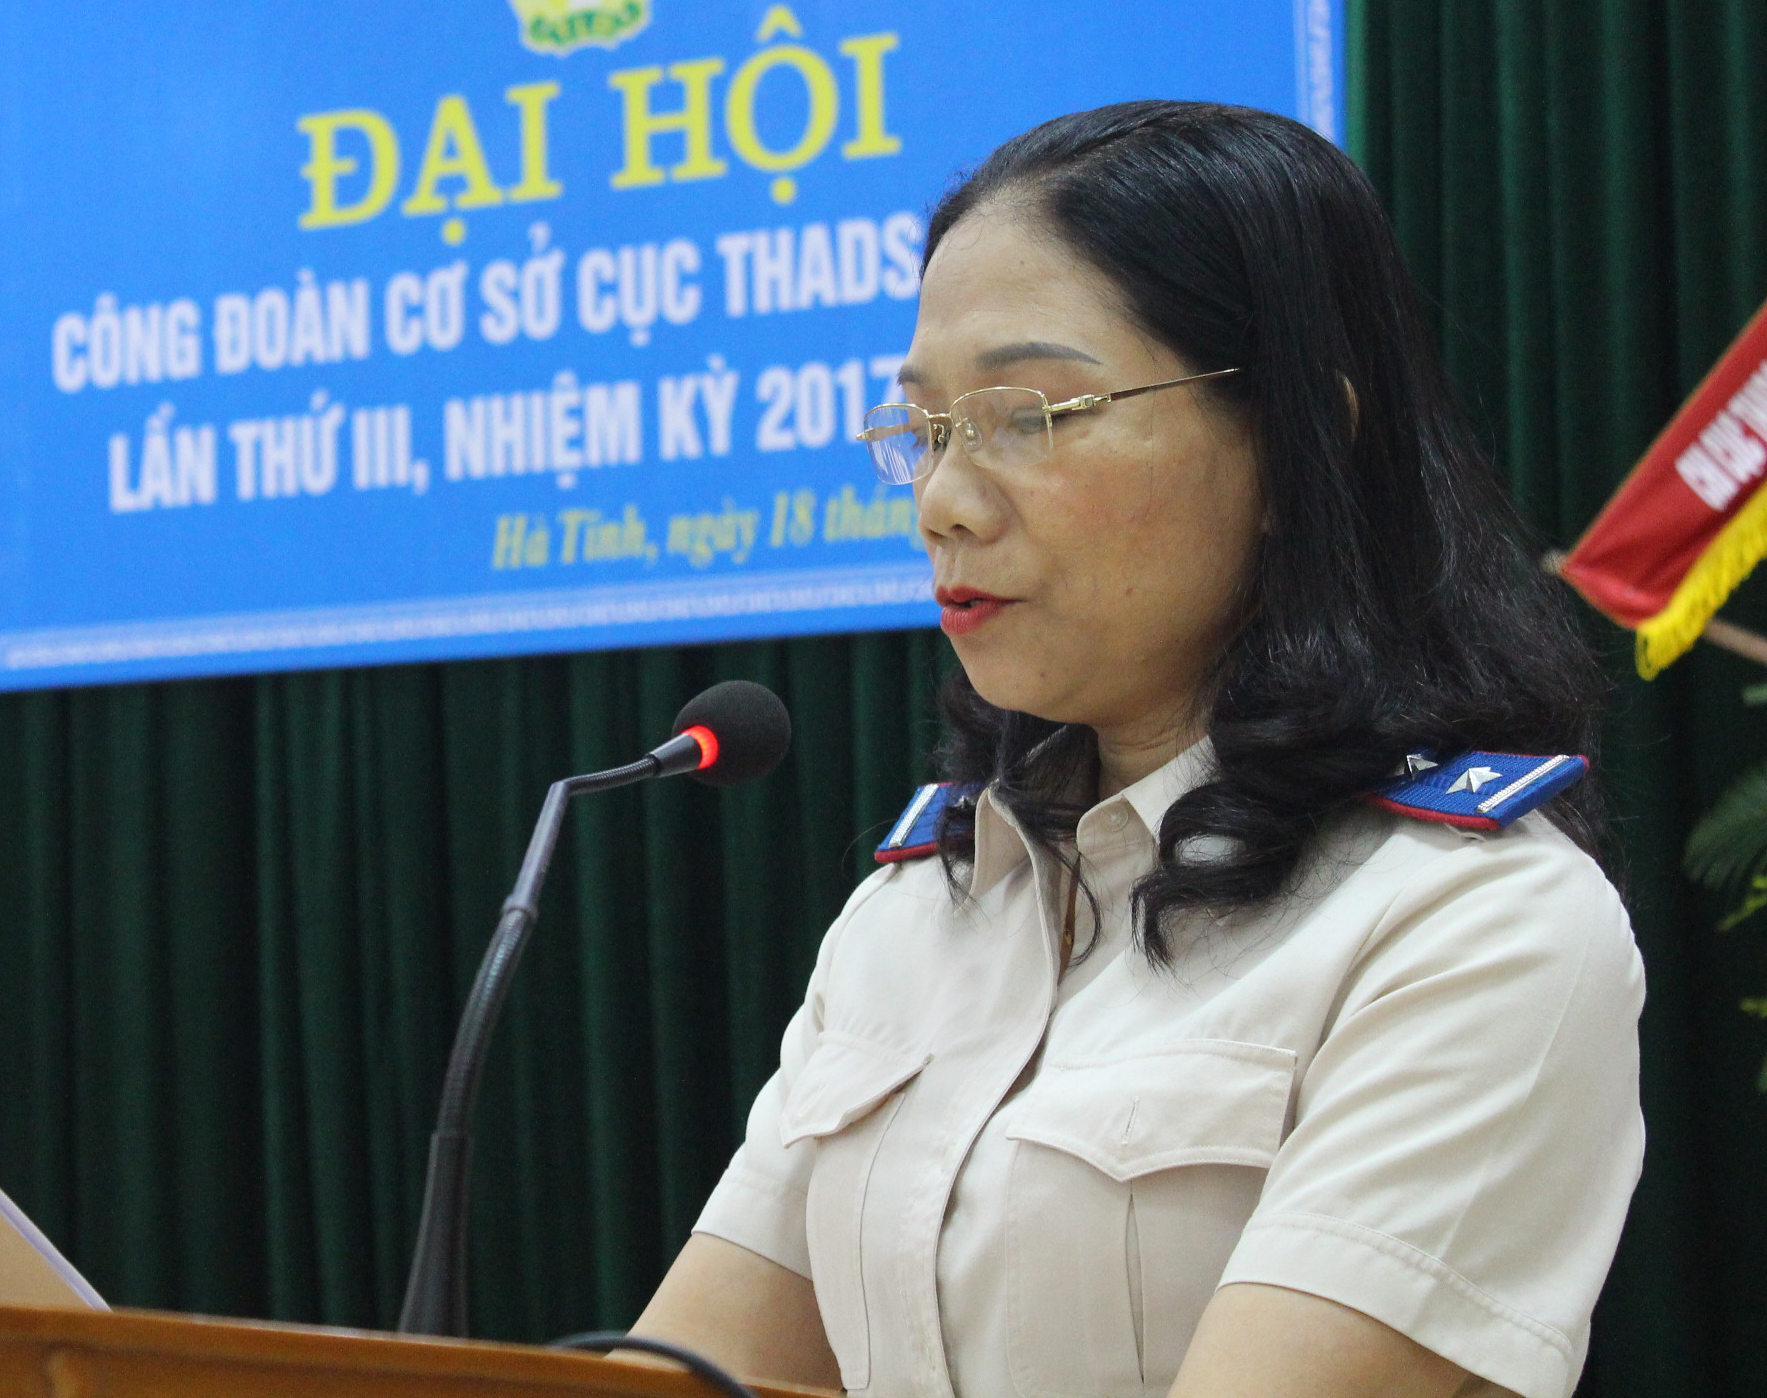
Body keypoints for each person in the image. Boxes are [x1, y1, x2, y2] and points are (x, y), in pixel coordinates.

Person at [631, 103, 1642, 1398]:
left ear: (1298, 444)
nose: (944, 502)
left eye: (1033, 414)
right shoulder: (917, 914)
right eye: (927, 428)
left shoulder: (1475, 926)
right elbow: (685, 1369)